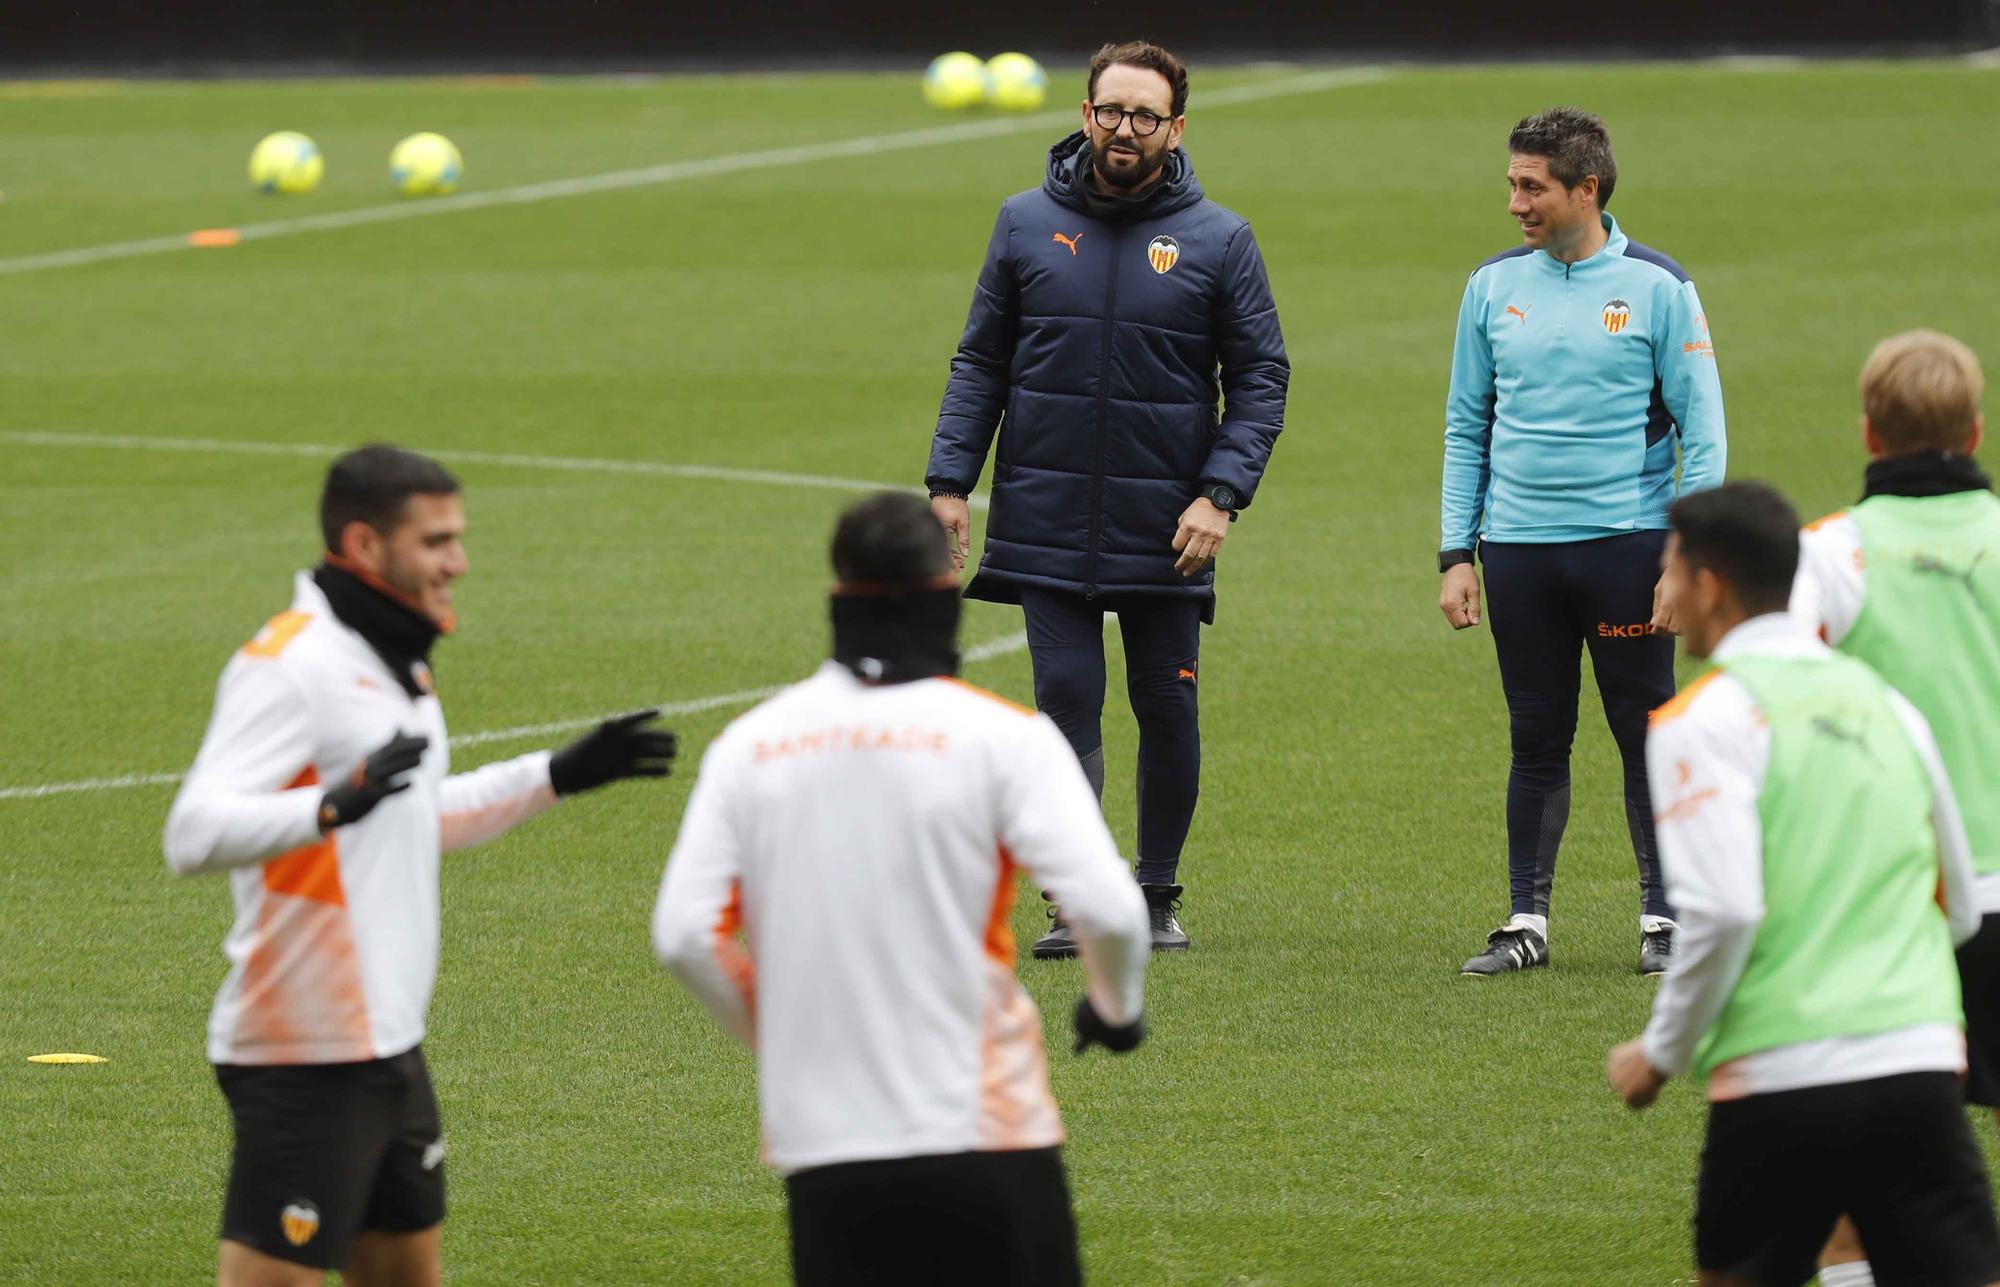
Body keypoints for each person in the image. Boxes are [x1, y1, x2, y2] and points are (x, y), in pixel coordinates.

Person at [163, 444, 676, 1287]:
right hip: (305, 1046)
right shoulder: (291, 666)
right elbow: (191, 832)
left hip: (388, 1039)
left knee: (406, 1275)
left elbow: (410, 819)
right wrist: (328, 806)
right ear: (366, 546)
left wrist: (555, 774)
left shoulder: (393, 658)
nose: (459, 562)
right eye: (437, 541)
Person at [652, 491, 1150, 1287]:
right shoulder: (1006, 739)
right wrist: (1115, 1010)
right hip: (986, 1129)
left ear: (837, 592)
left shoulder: (751, 746)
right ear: (941, 595)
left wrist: (782, 1035)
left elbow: (683, 934)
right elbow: (1112, 909)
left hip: (828, 1146)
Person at [926, 39, 1289, 956]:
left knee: (1166, 706)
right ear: (1086, 115)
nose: (1125, 129)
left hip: (1168, 525)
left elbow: (1260, 377)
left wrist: (1221, 495)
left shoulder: (1219, 239)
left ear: (1175, 128)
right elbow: (980, 360)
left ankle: (1156, 895)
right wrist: (949, 484)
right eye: (1110, 111)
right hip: (1045, 516)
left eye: (1145, 115)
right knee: (1066, 702)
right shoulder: (1021, 223)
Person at [1605, 481, 2000, 1287]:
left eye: (1670, 570)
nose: (1664, 592)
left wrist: (1659, 1052)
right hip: (1917, 1061)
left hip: (1780, 1072)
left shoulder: (1699, 721)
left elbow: (1723, 910)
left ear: (1709, 584)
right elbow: (1958, 901)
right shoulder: (1891, 702)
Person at [1440, 106, 1727, 976]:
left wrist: (1687, 559)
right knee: (1536, 736)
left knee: (1646, 732)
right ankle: (1526, 921)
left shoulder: (1658, 287)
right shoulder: (1492, 286)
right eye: (1513, 184)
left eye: (1532, 186)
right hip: (1519, 550)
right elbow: (1466, 425)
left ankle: (1665, 920)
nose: (1516, 203)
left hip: (1627, 549)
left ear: (1585, 188)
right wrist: (1457, 552)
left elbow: (1703, 435)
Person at [1789, 329, 1998, 1287]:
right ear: (1977, 430)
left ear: (1869, 433)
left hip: (1894, 896)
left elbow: (1780, 711)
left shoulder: (1829, 556)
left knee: (1856, 1160)